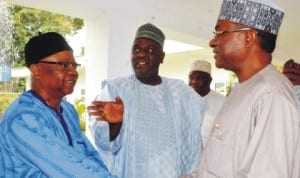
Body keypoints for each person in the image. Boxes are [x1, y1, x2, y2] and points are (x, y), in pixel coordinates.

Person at [88, 23, 207, 178]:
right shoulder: (116, 90)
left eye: (149, 50)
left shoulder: (180, 91)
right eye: (136, 49)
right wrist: (115, 125)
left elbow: (193, 136)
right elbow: (102, 142)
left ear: (162, 57)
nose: (141, 54)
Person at [197, 0, 300, 177]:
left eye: (220, 32)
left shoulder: (271, 95)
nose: (212, 42)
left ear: (248, 37)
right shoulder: (245, 89)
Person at [0, 32, 115, 177]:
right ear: (37, 70)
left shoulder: (67, 110)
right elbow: (70, 169)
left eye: (74, 65)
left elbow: (87, 155)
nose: (73, 72)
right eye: (63, 65)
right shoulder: (22, 118)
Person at [188, 60, 225, 147]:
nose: (193, 82)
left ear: (209, 80)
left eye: (199, 78)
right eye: (191, 78)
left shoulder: (222, 102)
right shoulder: (183, 100)